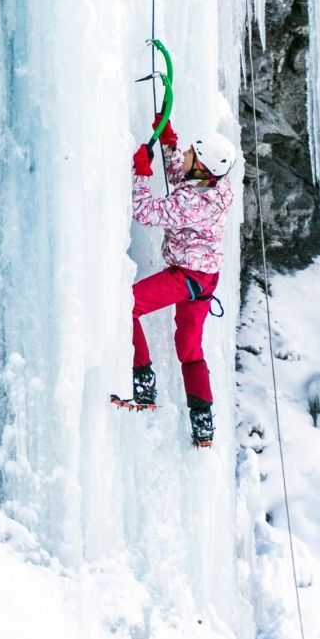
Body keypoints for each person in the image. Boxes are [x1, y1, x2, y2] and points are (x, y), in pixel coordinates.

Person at [114, 114, 237, 448]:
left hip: (187, 276)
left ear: (200, 166)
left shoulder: (193, 202)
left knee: (127, 305)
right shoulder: (216, 186)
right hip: (205, 278)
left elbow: (145, 211)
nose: (184, 155)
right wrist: (168, 141)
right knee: (190, 350)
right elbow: (181, 177)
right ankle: (203, 422)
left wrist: (141, 172)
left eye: (189, 153)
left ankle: (143, 383)